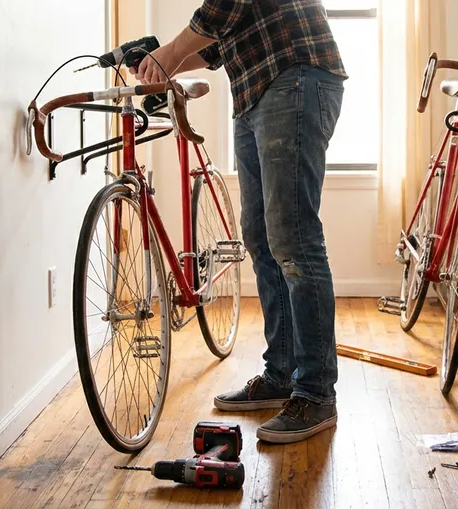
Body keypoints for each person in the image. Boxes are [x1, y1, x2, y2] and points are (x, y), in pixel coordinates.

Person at [134, 0, 346, 444]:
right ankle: (282, 374)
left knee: (293, 237)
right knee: (261, 237)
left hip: (295, 76)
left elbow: (221, 9)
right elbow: (214, 46)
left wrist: (169, 54)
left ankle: (316, 393)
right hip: (258, 91)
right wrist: (159, 61)